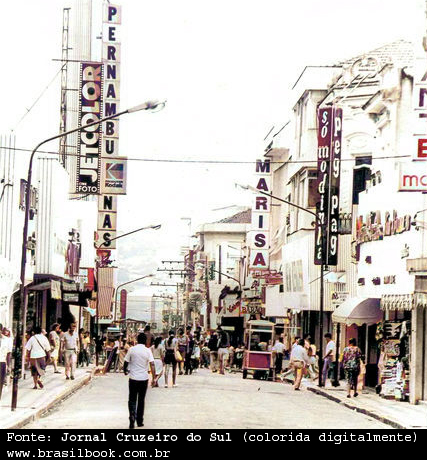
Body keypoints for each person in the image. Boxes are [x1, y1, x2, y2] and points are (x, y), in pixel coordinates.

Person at [123, 332, 155, 429]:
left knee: (132, 399)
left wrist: (125, 370)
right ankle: (140, 421)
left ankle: (132, 415)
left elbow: (126, 361)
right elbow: (152, 364)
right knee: (141, 400)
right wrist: (154, 377)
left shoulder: (132, 349)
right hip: (143, 379)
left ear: (137, 340)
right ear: (145, 341)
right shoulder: (147, 351)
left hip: (133, 378)